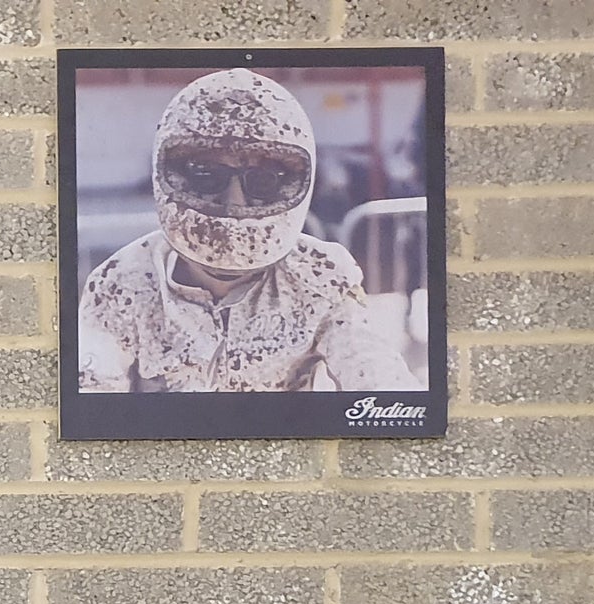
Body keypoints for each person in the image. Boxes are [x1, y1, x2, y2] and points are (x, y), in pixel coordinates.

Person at [76, 68, 420, 395]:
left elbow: (379, 380)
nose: (234, 205)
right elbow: (91, 402)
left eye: (263, 182)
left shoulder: (320, 276)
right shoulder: (121, 284)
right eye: (205, 176)